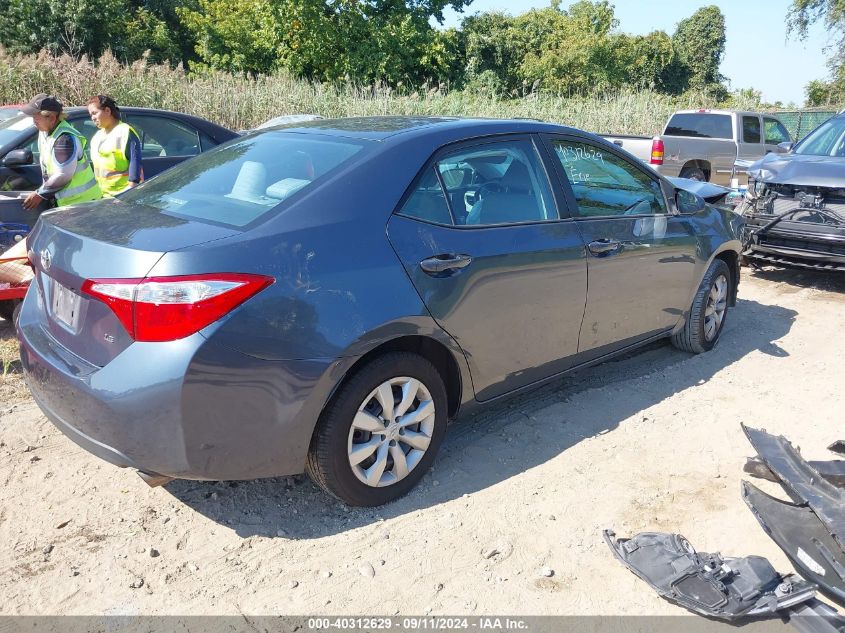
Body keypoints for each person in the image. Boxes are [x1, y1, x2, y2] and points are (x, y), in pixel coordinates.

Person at [21, 94, 101, 210]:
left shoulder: (65, 139)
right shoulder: (45, 133)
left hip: (84, 204)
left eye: (36, 117)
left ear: (52, 118)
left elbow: (63, 174)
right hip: (69, 204)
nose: (34, 121)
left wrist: (40, 194)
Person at [87, 95, 143, 196]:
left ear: (108, 111)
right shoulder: (97, 137)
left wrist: (130, 191)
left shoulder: (125, 131)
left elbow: (136, 164)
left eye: (95, 113)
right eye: (91, 115)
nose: (93, 118)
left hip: (123, 196)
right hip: (102, 197)